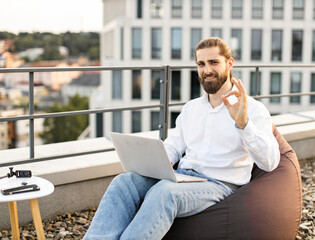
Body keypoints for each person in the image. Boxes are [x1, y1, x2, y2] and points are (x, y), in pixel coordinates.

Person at [84, 37, 280, 240]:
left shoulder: (253, 109)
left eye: (214, 62)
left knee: (164, 193)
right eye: (201, 64)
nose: (207, 70)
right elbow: (174, 145)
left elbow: (270, 162)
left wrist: (243, 124)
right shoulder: (191, 108)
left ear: (229, 63)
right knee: (124, 182)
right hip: (182, 176)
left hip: (220, 184)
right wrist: (163, 159)